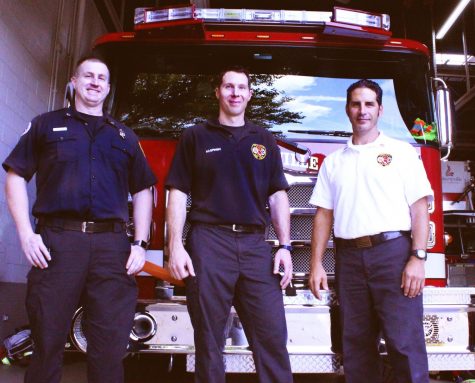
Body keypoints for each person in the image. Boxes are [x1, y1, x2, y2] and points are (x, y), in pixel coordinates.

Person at [3, 56, 157, 383]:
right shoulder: (46, 125)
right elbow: (16, 175)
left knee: (110, 346)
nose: (95, 82)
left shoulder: (124, 136)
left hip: (111, 248)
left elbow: (144, 189)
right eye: (89, 75)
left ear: (109, 87)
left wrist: (140, 244)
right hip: (58, 244)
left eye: (102, 77)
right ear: (74, 80)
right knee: (47, 339)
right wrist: (26, 234)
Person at [165, 66, 293, 383]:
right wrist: (175, 245)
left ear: (250, 95)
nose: (235, 93)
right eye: (228, 87)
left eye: (241, 88)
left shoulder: (264, 139)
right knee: (209, 340)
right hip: (209, 243)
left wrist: (285, 246)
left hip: (255, 247)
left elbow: (277, 197)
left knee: (272, 336)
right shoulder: (195, 136)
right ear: (218, 92)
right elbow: (177, 193)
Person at [308, 79, 432, 383]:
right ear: (347, 109)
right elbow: (323, 216)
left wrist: (417, 258)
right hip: (349, 260)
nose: (362, 110)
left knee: (404, 345)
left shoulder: (402, 153)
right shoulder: (334, 162)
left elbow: (420, 210)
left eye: (369, 104)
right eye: (356, 104)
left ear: (380, 109)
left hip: (393, 256)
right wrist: (315, 264)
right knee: (357, 348)